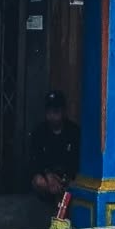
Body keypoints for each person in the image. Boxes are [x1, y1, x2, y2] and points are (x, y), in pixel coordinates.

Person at [29, 90, 80, 218]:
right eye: (50, 111)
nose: (53, 115)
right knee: (38, 181)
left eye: (56, 111)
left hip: (68, 178)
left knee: (74, 186)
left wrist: (66, 178)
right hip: (48, 178)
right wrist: (48, 175)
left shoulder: (74, 132)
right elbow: (35, 160)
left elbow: (76, 159)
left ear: (63, 111)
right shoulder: (39, 132)